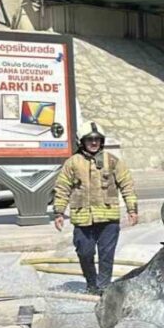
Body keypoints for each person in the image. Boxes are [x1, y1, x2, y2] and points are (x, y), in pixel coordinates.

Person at [53, 122, 139, 295]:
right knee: (84, 252)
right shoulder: (72, 163)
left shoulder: (112, 161)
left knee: (106, 256)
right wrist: (59, 212)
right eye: (90, 140)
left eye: (97, 140)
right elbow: (62, 188)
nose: (94, 143)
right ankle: (91, 283)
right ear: (82, 142)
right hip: (83, 219)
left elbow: (127, 185)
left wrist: (132, 209)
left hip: (109, 219)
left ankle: (103, 287)